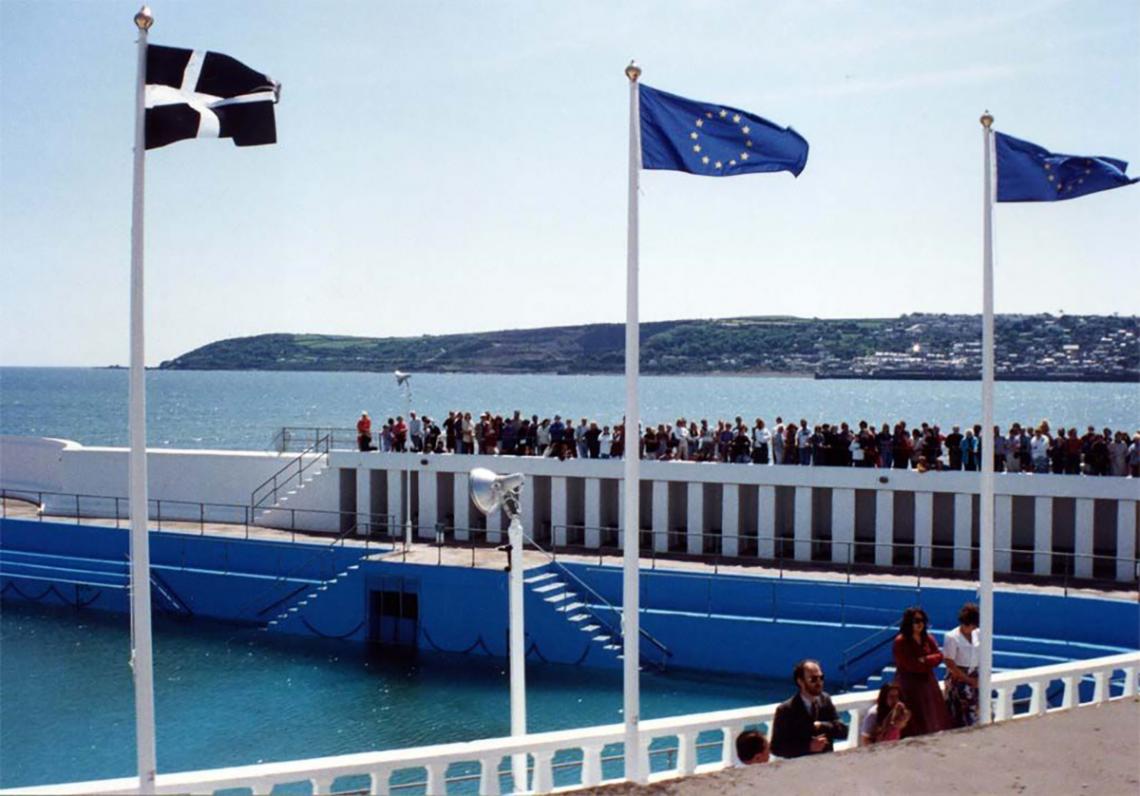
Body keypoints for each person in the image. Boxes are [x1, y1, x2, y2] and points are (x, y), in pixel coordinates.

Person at [892, 606, 952, 738]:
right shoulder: (901, 641)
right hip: (909, 685)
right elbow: (910, 664)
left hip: (928, 683)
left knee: (933, 714)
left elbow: (939, 656)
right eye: (916, 621)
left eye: (922, 621)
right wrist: (926, 663)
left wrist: (924, 660)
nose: (920, 624)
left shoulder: (928, 638)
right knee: (915, 717)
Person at [770, 659, 848, 759]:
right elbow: (776, 748)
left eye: (821, 677)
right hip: (799, 765)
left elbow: (843, 732)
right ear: (800, 682)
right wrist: (808, 747)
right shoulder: (786, 710)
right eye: (813, 679)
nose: (819, 682)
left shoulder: (825, 700)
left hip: (826, 763)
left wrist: (821, 726)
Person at [943, 602, 981, 728]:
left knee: (978, 709)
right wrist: (968, 680)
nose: (970, 628)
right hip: (958, 677)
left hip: (974, 673)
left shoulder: (978, 634)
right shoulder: (952, 637)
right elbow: (949, 663)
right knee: (961, 713)